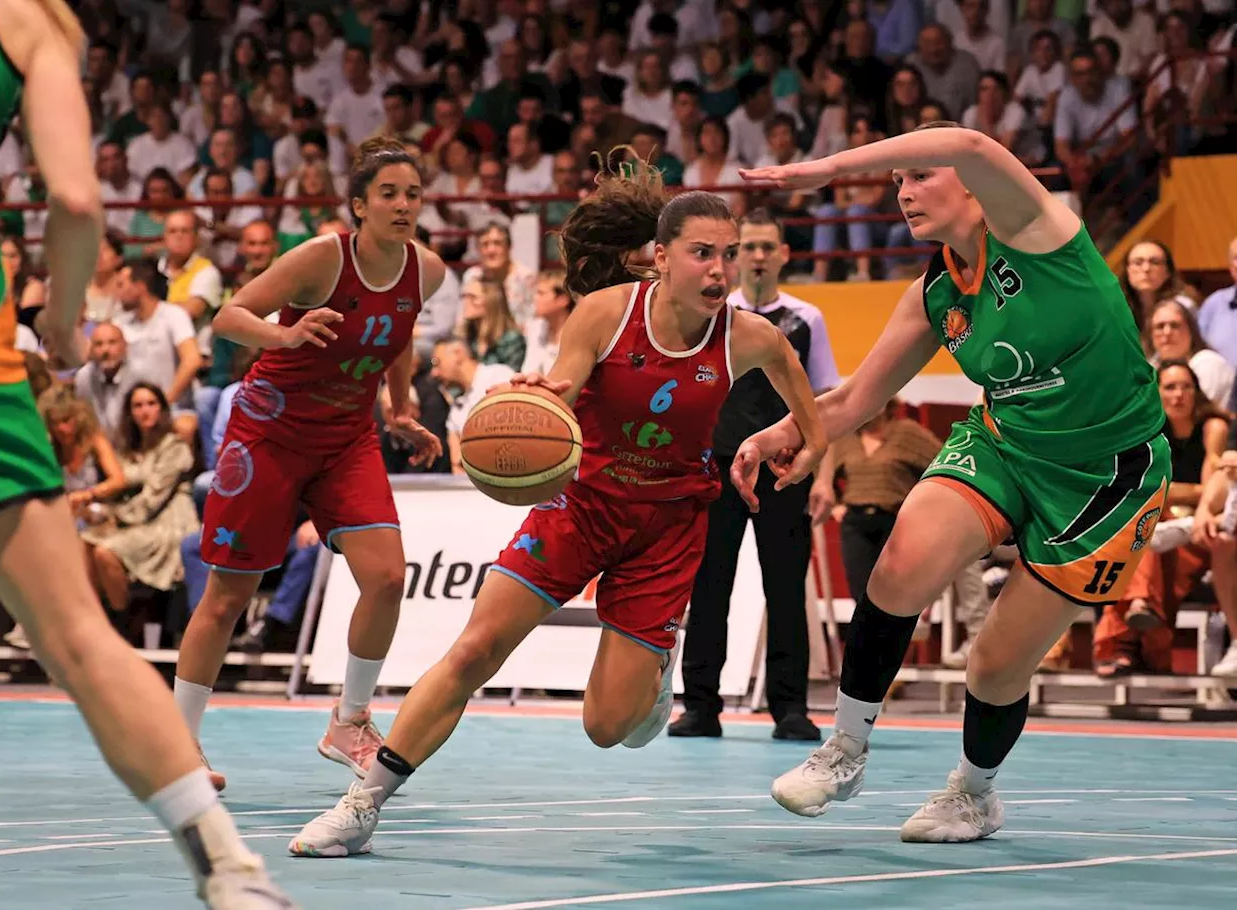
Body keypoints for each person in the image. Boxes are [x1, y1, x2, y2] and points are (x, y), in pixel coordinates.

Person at [287, 157, 827, 858]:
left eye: (727, 255)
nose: (720, 270)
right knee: (475, 648)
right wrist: (537, 399)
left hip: (666, 531)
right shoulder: (606, 312)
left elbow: (802, 391)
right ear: (660, 259)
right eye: (702, 254)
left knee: (607, 728)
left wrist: (807, 442)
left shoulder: (750, 336)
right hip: (582, 508)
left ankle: (656, 667)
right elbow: (565, 386)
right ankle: (361, 806)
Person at [733, 122, 1169, 843]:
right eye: (896, 181)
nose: (903, 191)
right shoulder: (936, 290)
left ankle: (973, 793)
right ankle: (844, 751)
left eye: (917, 175)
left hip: (1108, 476)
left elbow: (966, 141)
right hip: (1005, 443)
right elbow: (850, 400)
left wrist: (826, 170)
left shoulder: (1040, 230)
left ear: (973, 186)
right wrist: (784, 433)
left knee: (996, 664)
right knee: (900, 564)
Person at [0, 1, 295, 906]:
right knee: (74, 634)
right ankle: (230, 869)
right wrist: (61, 321)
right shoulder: (22, 19)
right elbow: (74, 198)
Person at [174, 137, 446, 792]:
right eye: (389, 194)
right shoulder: (323, 258)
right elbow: (228, 317)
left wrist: (400, 406)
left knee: (386, 578)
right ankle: (176, 746)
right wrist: (284, 334)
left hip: (346, 437)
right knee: (229, 595)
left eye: (413, 194)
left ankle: (349, 720)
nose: (403, 205)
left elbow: (398, 334)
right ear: (358, 205)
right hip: (268, 432)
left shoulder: (425, 270)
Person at [671, 208, 839, 741]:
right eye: (751, 247)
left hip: (784, 471)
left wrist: (826, 476)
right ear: (737, 255)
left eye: (769, 247)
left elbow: (825, 404)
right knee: (709, 585)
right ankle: (700, 705)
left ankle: (789, 707)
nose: (759, 256)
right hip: (714, 469)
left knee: (787, 589)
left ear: (785, 255)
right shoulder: (715, 316)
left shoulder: (806, 320)